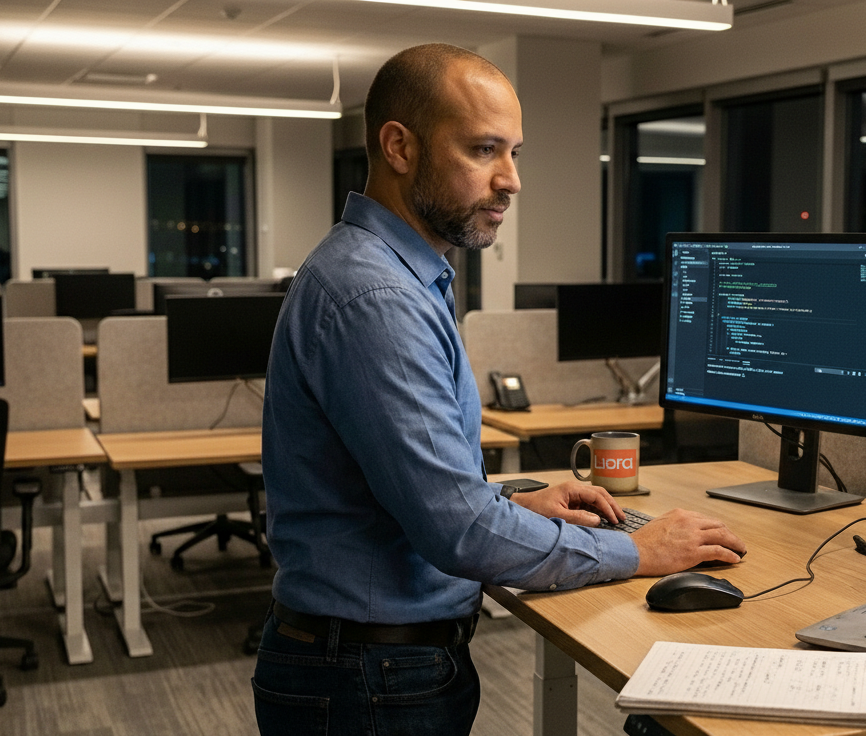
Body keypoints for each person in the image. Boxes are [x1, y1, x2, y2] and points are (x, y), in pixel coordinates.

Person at [252, 43, 745, 736]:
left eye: (515, 152)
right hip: (366, 678)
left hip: (368, 664)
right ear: (399, 146)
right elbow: (457, 531)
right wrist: (641, 552)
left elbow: (409, 488)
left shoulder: (401, 277)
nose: (511, 180)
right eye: (484, 150)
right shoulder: (376, 297)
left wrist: (513, 498)